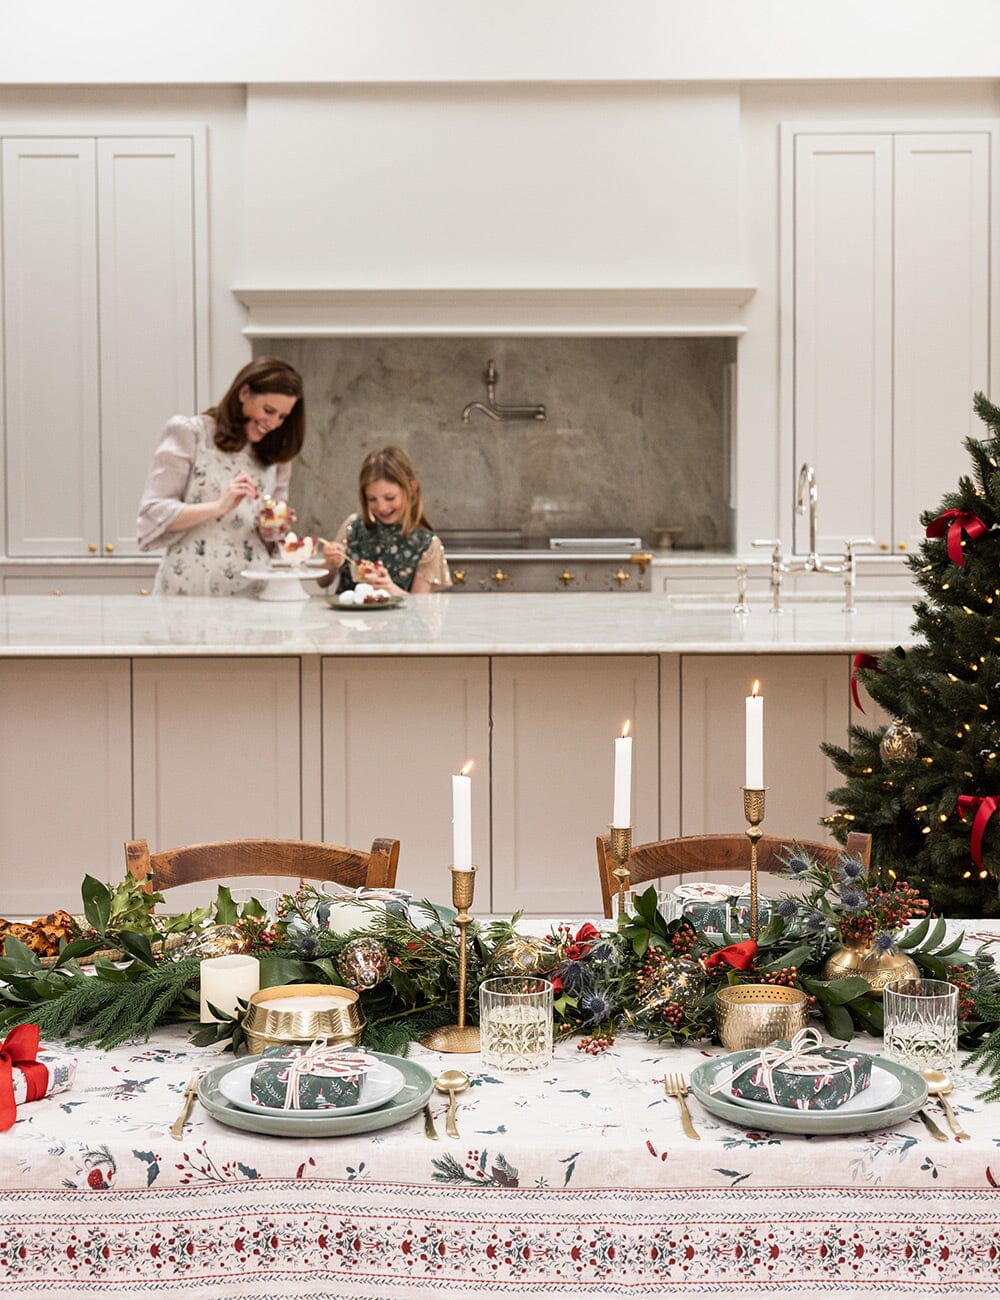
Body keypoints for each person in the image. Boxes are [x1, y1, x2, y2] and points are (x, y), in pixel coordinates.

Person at [136, 357, 305, 595]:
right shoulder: (190, 434)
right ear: (244, 392)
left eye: (283, 417)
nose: (274, 423)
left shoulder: (276, 457)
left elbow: (268, 539)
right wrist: (218, 506)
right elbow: (153, 513)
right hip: (189, 590)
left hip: (252, 593)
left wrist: (272, 530)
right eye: (269, 410)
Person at [320, 445, 451, 595]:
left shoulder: (427, 544)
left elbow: (420, 607)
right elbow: (323, 582)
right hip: (346, 618)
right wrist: (330, 564)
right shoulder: (352, 527)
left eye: (390, 498)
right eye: (372, 499)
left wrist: (390, 588)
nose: (381, 507)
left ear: (411, 488)